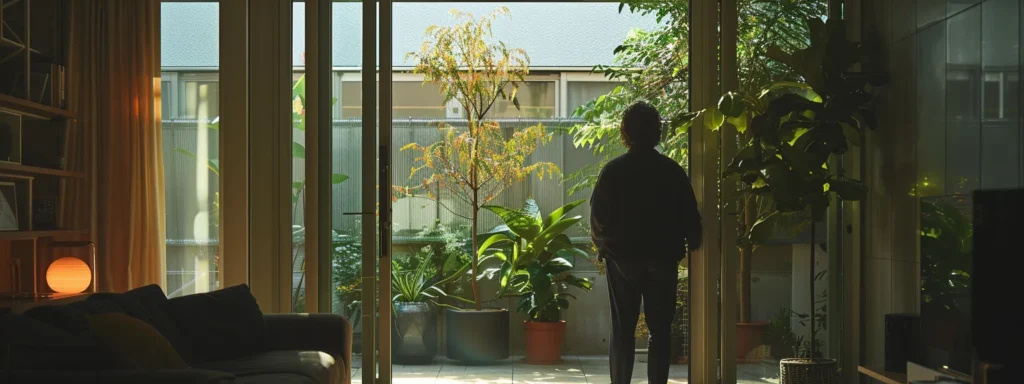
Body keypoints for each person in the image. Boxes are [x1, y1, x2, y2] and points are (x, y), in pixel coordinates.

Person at [590, 102, 702, 384]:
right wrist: (692, 242)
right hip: (662, 260)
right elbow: (690, 215)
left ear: (625, 132)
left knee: (622, 330)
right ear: (657, 131)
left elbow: (598, 219)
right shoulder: (671, 171)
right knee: (660, 331)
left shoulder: (612, 172)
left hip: (623, 260)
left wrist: (605, 249)